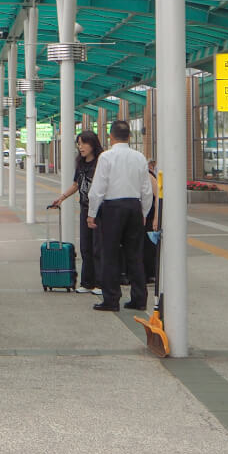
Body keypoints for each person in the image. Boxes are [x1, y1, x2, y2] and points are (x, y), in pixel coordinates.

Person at [86, 120, 153, 312]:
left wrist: (92, 214)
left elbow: (98, 188)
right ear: (130, 137)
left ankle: (111, 299)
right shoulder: (140, 157)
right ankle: (139, 300)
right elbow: (146, 190)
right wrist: (144, 213)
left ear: (111, 137)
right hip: (134, 206)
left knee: (110, 254)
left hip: (112, 208)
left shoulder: (106, 157)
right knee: (135, 255)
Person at [47, 131, 103, 294]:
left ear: (92, 144)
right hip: (85, 208)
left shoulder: (101, 161)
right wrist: (62, 198)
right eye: (78, 144)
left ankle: (100, 283)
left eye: (83, 143)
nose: (80, 147)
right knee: (85, 246)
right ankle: (87, 283)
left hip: (100, 210)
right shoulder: (81, 163)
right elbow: (76, 184)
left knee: (98, 247)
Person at [141, 159, 162, 288]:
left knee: (148, 245)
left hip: (149, 216)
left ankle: (150, 273)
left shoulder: (148, 176)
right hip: (141, 215)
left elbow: (158, 197)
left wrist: (156, 218)